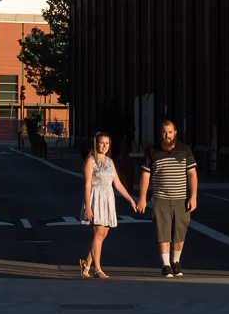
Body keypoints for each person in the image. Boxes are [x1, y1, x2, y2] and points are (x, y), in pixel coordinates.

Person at [136, 118, 198, 278]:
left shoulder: (184, 150)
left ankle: (176, 262)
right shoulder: (152, 151)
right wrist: (142, 198)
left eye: (170, 132)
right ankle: (166, 265)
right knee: (162, 232)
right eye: (164, 132)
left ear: (175, 133)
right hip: (160, 199)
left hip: (181, 199)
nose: (167, 135)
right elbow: (145, 175)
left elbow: (192, 173)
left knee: (179, 232)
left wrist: (194, 196)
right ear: (160, 133)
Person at [79, 131, 136, 278]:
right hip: (95, 199)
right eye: (101, 143)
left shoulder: (110, 161)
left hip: (108, 199)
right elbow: (86, 185)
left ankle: (86, 263)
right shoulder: (90, 161)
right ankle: (97, 269)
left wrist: (130, 199)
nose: (104, 146)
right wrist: (88, 206)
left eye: (107, 143)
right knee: (98, 233)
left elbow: (117, 183)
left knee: (103, 234)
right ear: (96, 144)